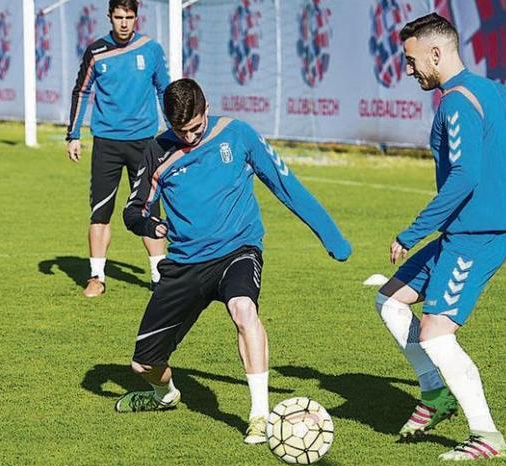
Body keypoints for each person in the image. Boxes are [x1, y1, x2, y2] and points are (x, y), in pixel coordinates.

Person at [117, 79, 351, 445]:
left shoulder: (237, 134)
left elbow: (285, 184)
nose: (190, 137)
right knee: (143, 364)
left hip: (237, 250)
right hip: (185, 263)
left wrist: (330, 235)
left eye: (195, 127)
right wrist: (151, 223)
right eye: (181, 131)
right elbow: (133, 211)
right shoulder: (158, 152)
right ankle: (165, 395)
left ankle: (260, 415)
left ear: (206, 109)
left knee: (244, 310)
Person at [376, 13, 506, 461]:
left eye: (412, 62)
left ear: (437, 52)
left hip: (477, 237)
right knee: (389, 300)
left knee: (435, 335)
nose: (409, 71)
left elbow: (465, 177)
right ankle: (435, 395)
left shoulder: (455, 103)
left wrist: (409, 233)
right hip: (461, 234)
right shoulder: (494, 92)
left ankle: (487, 436)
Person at [66, 0, 168, 297]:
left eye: (130, 17)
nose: (124, 23)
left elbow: (165, 90)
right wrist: (73, 134)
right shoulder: (96, 51)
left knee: (149, 210)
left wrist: (173, 133)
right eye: (119, 17)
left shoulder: (151, 49)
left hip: (145, 143)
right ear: (109, 17)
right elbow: (81, 90)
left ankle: (158, 276)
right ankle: (97, 277)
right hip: (107, 143)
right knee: (100, 211)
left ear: (137, 18)